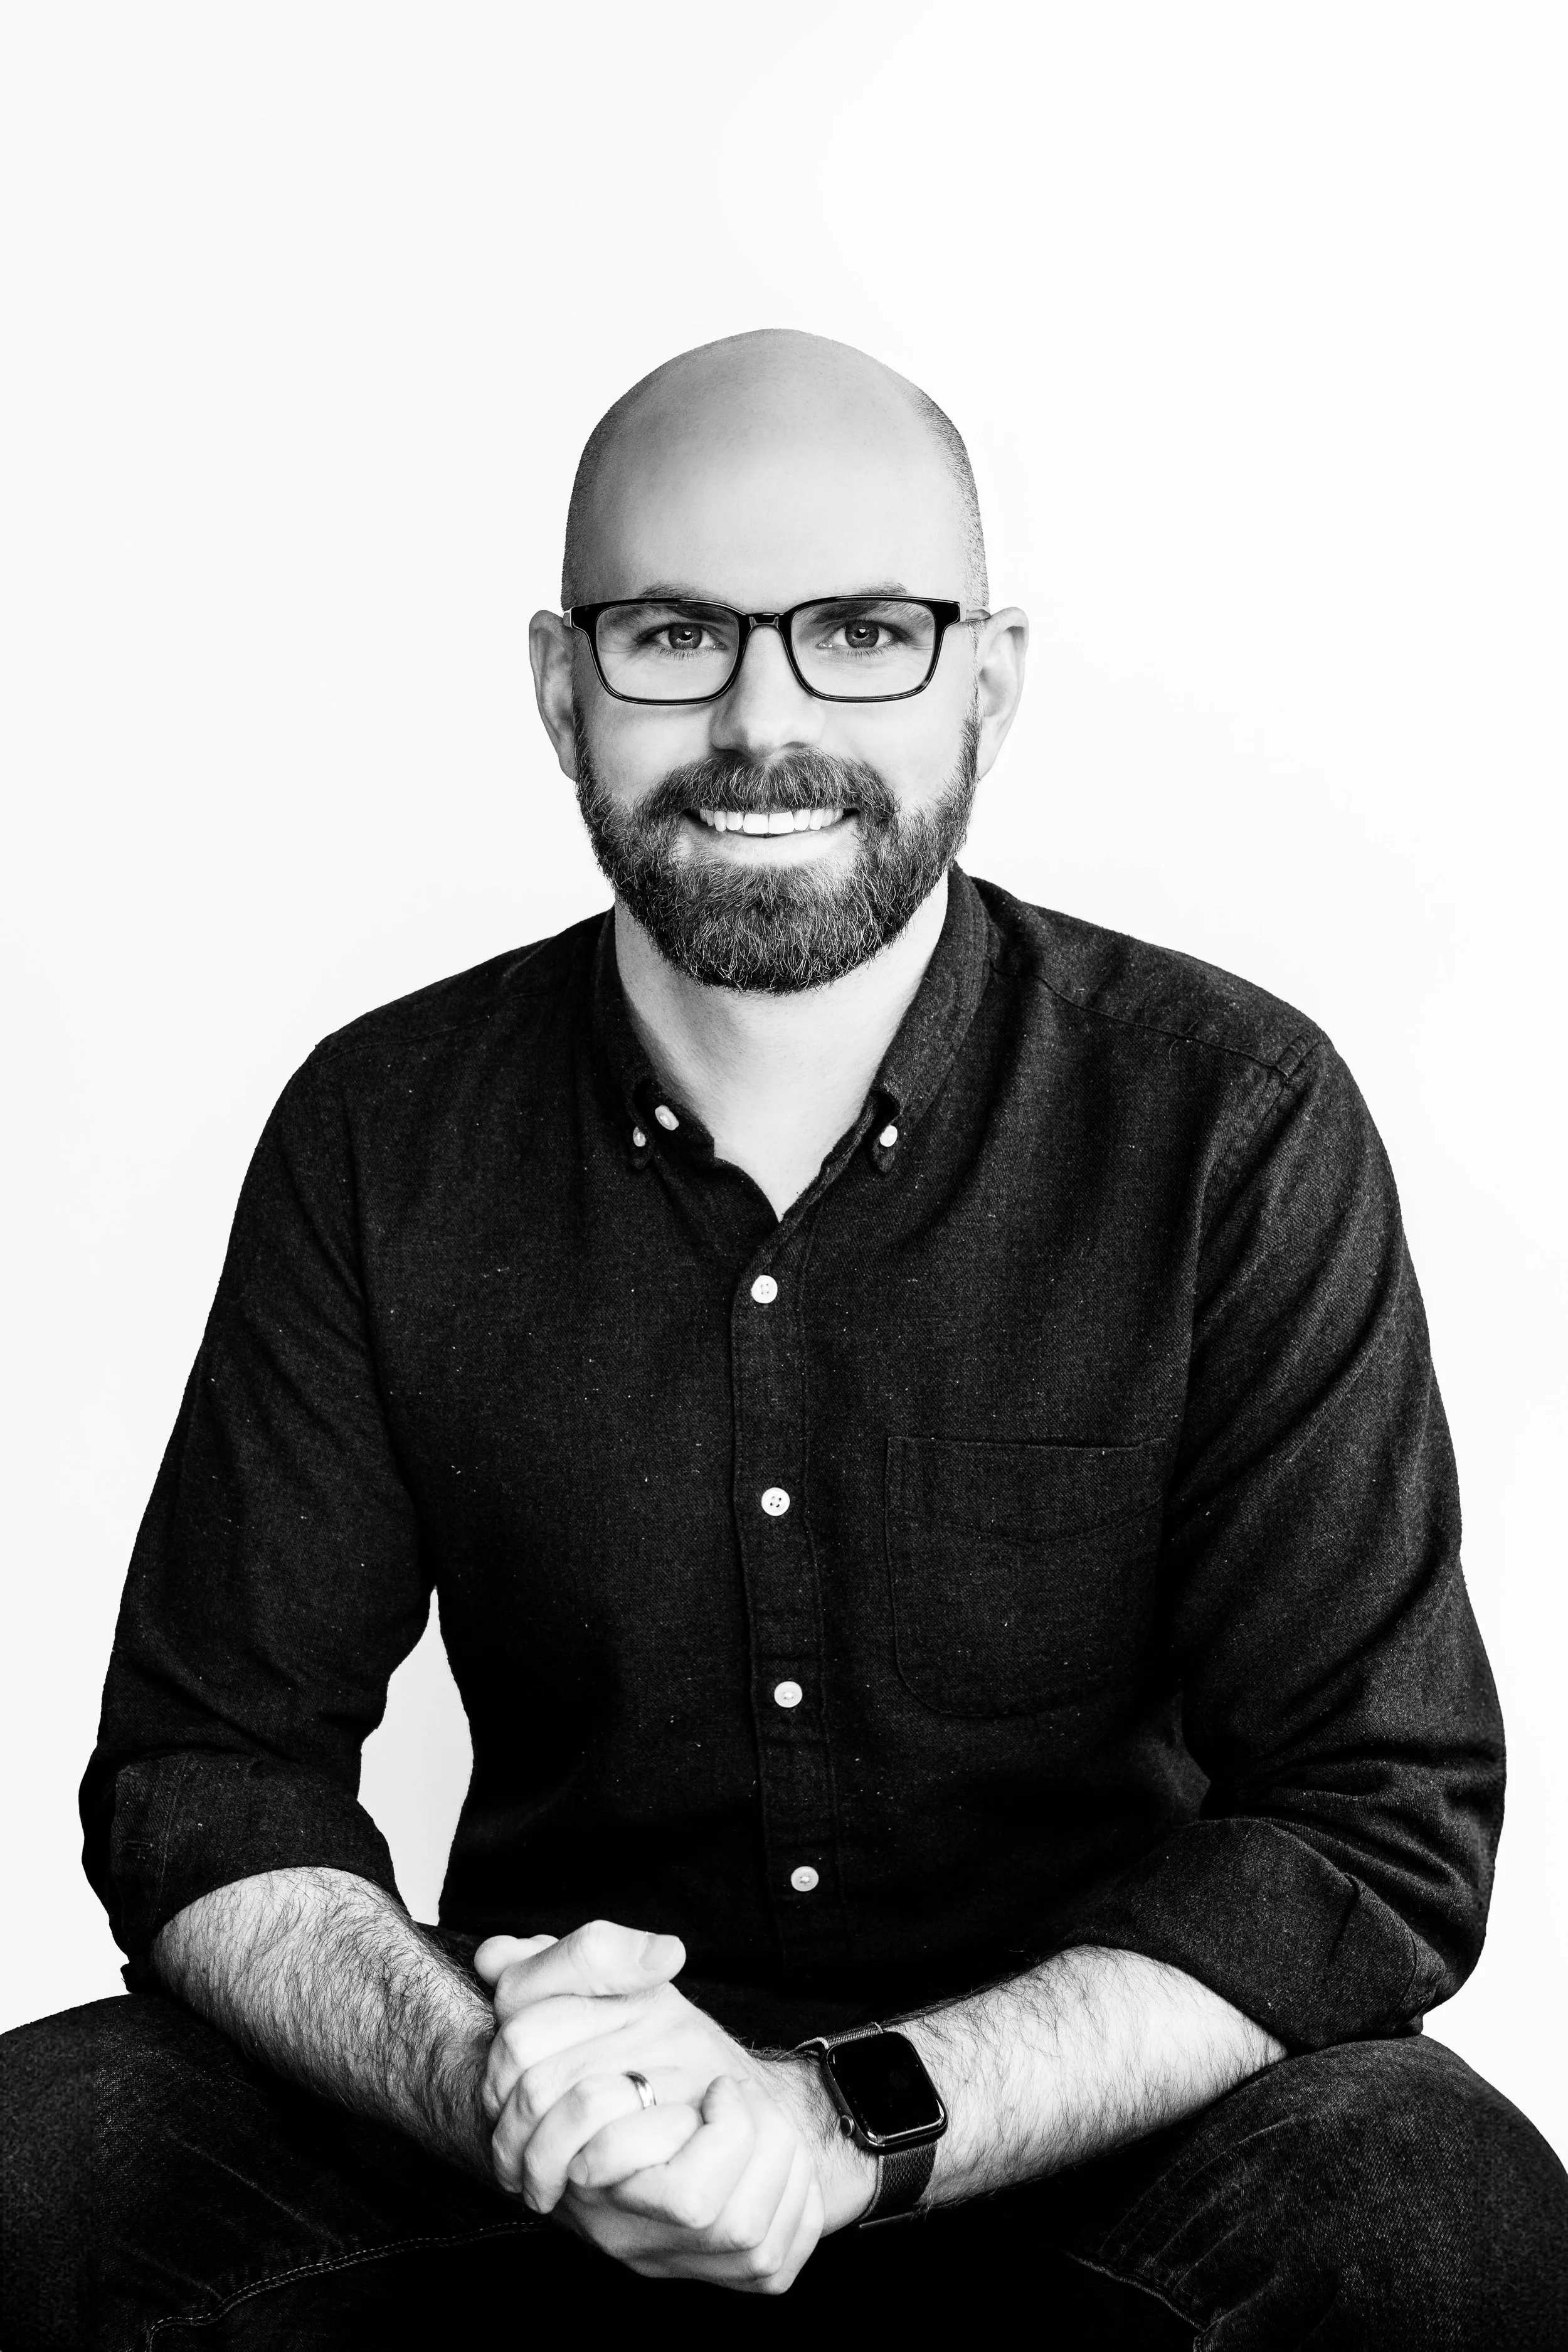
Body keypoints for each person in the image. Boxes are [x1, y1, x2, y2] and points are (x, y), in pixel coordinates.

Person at [3, 329, 1565, 2350]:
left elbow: (1377, 1814)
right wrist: (488, 2072)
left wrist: (833, 2121)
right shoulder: (383, 1131)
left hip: (1081, 2132)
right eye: (671, 631)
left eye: (863, 631)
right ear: (563, 685)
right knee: (32, 2171)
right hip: (541, 2126)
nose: (761, 717)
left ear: (986, 680)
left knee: (1441, 2225)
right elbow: (204, 1776)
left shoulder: (1227, 1119)